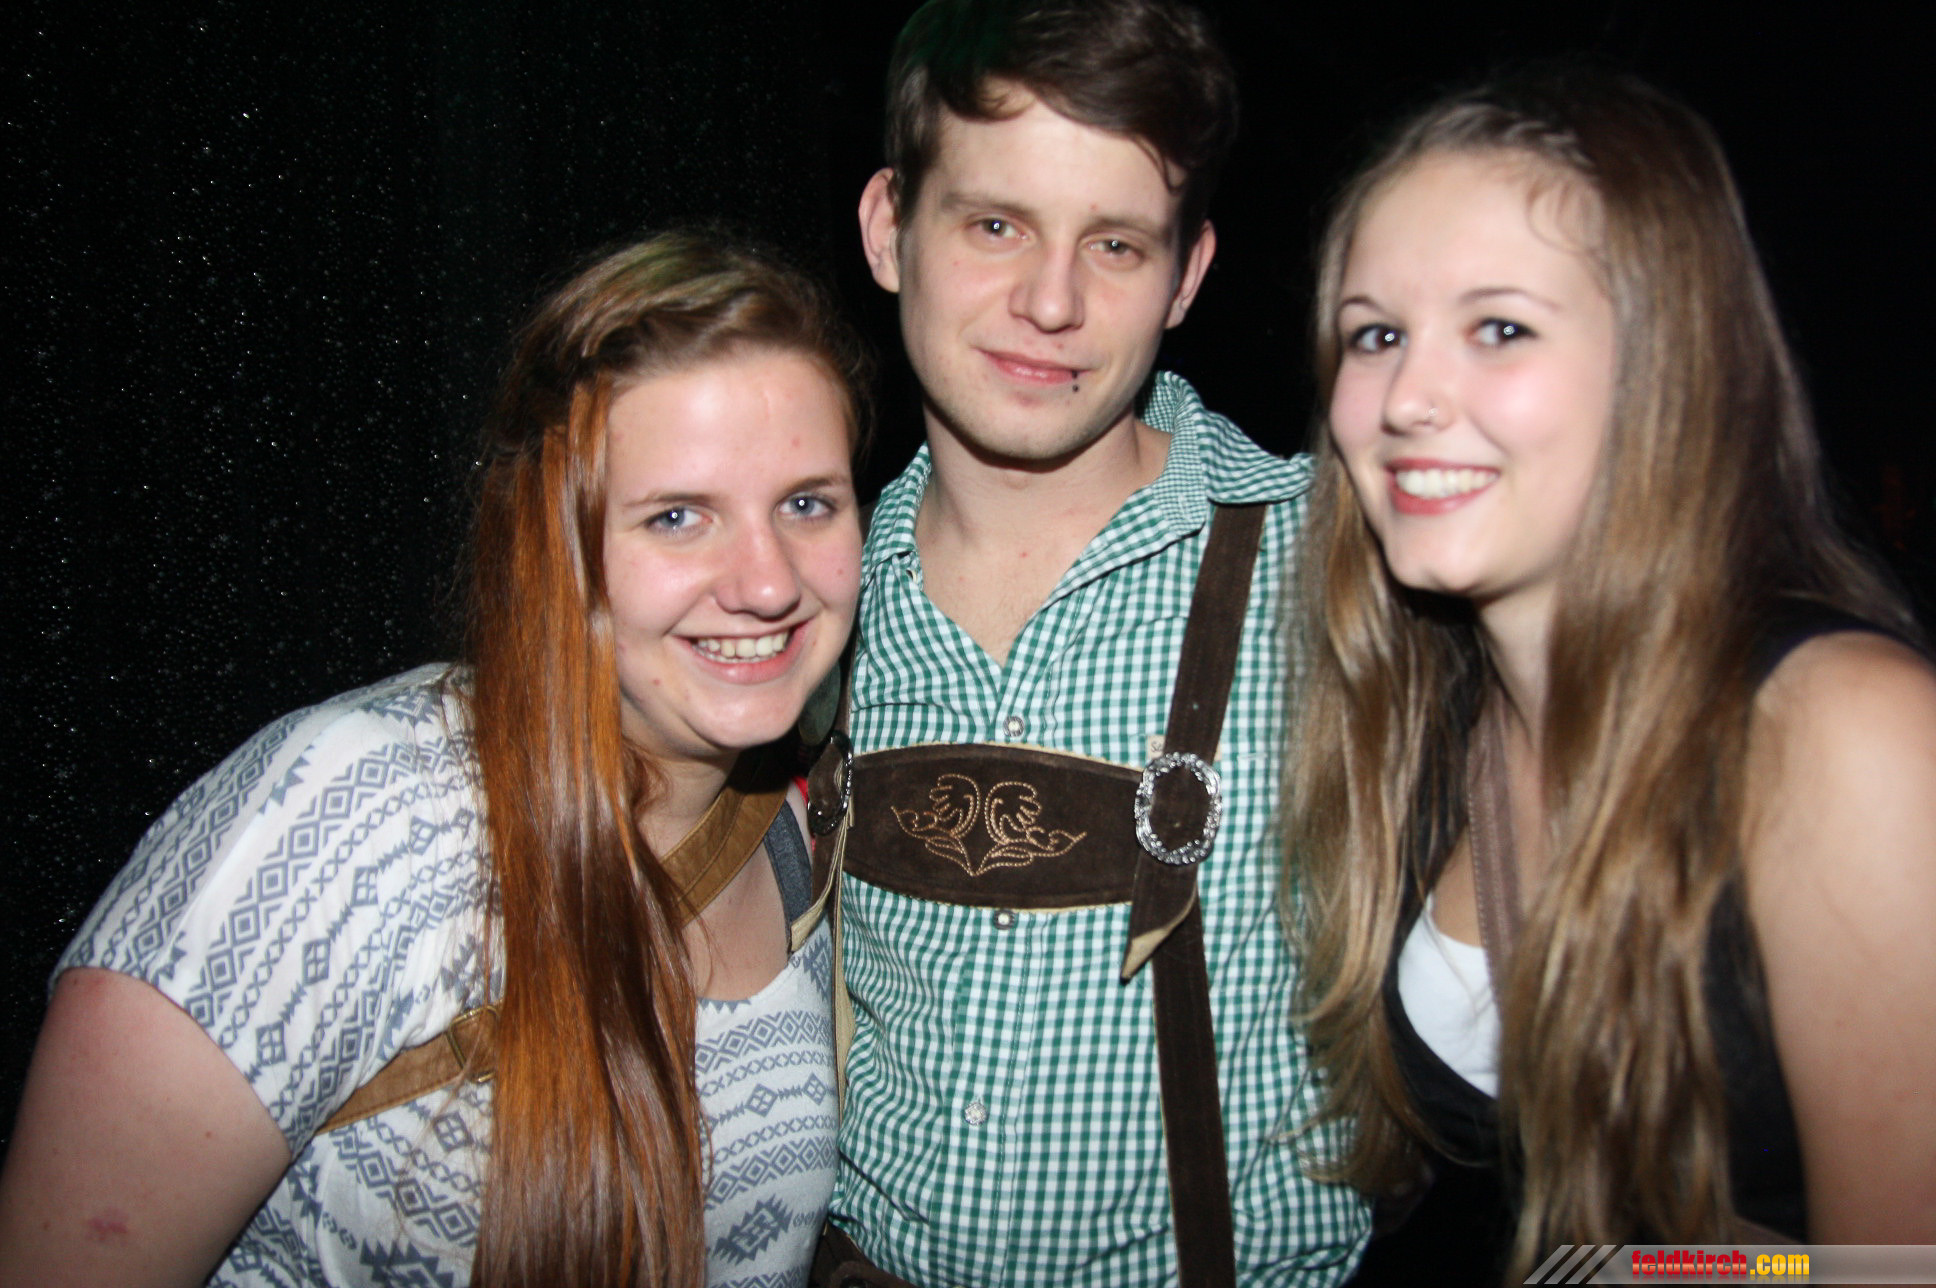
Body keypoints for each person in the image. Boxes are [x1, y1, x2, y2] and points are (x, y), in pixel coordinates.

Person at [0, 230, 867, 1288]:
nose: (768, 582)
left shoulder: (798, 826)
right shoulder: (354, 815)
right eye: (678, 517)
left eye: (807, 503)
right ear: (555, 542)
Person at [1286, 67, 1936, 1281]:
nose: (1406, 398)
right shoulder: (1427, 715)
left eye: (1499, 328)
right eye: (1375, 334)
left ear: (1664, 363)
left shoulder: (1843, 732)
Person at [818, 2, 1369, 1284]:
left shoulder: (1336, 568)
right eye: (994, 225)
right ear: (889, 228)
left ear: (1186, 275)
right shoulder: (802, 602)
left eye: (1114, 245)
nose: (1051, 302)